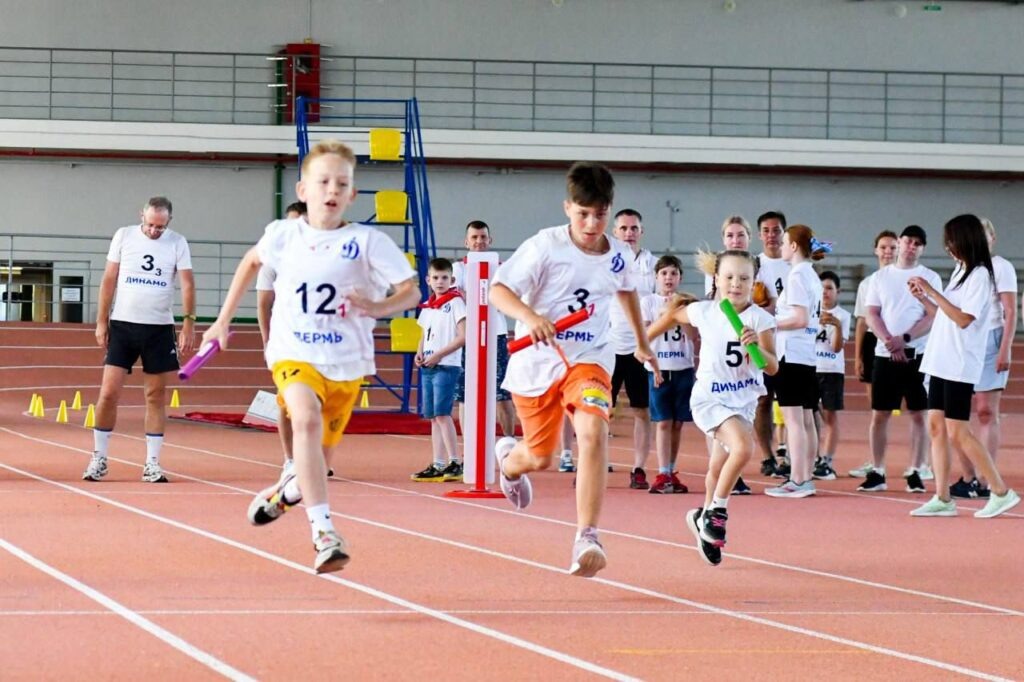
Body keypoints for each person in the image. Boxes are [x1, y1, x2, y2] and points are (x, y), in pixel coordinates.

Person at [203, 140, 419, 573]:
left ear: (353, 194)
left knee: (315, 466)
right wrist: (222, 320)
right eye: (323, 181)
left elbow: (411, 290)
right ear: (303, 189)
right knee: (302, 418)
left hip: (346, 364)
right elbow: (249, 263)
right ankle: (324, 532)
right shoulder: (284, 235)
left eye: (342, 183)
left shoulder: (368, 242)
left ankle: (288, 495)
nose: (331, 190)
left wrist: (377, 308)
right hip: (294, 352)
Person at [489, 161, 657, 578]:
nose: (591, 222)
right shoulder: (545, 247)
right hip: (537, 362)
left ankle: (587, 535)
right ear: (568, 208)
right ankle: (510, 461)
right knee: (541, 457)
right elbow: (497, 289)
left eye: (600, 214)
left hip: (589, 361)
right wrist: (531, 316)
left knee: (592, 430)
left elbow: (628, 293)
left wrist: (641, 341)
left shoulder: (618, 255)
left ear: (610, 211)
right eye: (583, 213)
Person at [649, 250, 778, 566]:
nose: (736, 284)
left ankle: (701, 517)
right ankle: (718, 512)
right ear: (717, 280)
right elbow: (671, 316)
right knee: (743, 448)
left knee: (719, 467)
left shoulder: (760, 319)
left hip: (743, 401)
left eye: (744, 278)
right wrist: (643, 343)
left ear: (753, 282)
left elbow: (772, 367)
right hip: (710, 398)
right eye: (730, 277)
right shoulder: (705, 312)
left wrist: (756, 347)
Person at [908, 214, 1020, 518]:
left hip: (959, 362)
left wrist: (933, 293)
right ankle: (942, 497)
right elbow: (947, 315)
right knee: (937, 428)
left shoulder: (982, 275)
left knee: (958, 431)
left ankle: (1000, 491)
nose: (948, 246)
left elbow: (964, 318)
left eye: (951, 240)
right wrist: (926, 299)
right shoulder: (961, 271)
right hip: (941, 358)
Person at [83, 196, 195, 483]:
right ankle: (99, 457)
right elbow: (109, 279)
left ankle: (152, 462)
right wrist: (101, 321)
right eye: (149, 225)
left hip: (158, 328)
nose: (154, 231)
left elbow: (187, 283)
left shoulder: (177, 242)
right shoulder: (124, 236)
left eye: (160, 227)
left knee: (155, 396)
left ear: (169, 221)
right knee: (108, 393)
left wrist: (188, 324)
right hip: (123, 325)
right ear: (141, 216)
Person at [255, 201, 341, 481]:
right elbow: (263, 304)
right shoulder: (272, 262)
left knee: (320, 400)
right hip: (287, 341)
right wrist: (268, 341)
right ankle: (290, 459)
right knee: (287, 401)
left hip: (321, 339)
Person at [861, 225, 940, 494]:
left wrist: (904, 339)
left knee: (919, 414)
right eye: (908, 241)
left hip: (917, 354)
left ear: (922, 248)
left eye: (918, 243)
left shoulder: (929, 278)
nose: (912, 246)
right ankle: (878, 470)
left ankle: (916, 470)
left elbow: (933, 316)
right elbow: (872, 313)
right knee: (880, 413)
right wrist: (888, 340)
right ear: (899, 242)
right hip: (885, 354)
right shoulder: (880, 278)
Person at [949, 218, 1017, 499]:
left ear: (992, 237)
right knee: (956, 413)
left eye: (985, 234)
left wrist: (1005, 348)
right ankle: (968, 476)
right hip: (964, 342)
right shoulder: (962, 267)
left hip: (991, 337)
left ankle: (988, 479)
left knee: (986, 410)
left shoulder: (1000, 267)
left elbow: (1010, 310)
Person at [765, 226, 826, 499]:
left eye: (785, 241)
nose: (780, 245)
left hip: (792, 352)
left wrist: (771, 323)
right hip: (806, 352)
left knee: (794, 419)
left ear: (793, 246)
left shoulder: (797, 275)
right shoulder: (811, 275)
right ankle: (806, 476)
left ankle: (798, 479)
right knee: (805, 417)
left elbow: (800, 318)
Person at [451, 220, 517, 441]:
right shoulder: (458, 268)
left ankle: (509, 441)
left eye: (482, 237)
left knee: (502, 393)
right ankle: (469, 445)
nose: (479, 241)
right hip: (468, 336)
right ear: (466, 242)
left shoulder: (501, 268)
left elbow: (508, 297)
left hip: (496, 335)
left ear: (490, 240)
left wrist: (477, 299)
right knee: (465, 393)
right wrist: (488, 300)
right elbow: (455, 295)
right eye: (474, 237)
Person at [607, 209, 657, 490]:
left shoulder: (652, 264)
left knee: (641, 411)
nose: (629, 232)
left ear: (641, 231)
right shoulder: (606, 261)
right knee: (601, 410)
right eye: (624, 228)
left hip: (640, 348)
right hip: (609, 348)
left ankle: (638, 467)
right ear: (615, 231)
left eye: (634, 228)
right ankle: (597, 462)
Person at [641, 255, 696, 494]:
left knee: (677, 423)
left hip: (682, 367)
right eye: (664, 273)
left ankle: (672, 469)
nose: (668, 278)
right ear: (656, 277)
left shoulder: (687, 303)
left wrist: (679, 311)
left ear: (680, 278)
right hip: (659, 368)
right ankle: (662, 471)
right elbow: (645, 336)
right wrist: (666, 315)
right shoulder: (649, 302)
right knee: (663, 422)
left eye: (673, 274)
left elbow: (692, 336)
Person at [849, 230, 900, 478]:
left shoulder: (907, 279)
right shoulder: (867, 283)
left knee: (918, 411)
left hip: (903, 341)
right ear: (876, 250)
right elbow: (861, 322)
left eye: (892, 247)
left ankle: (921, 463)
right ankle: (876, 460)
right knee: (877, 409)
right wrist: (858, 356)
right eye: (883, 247)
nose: (888, 252)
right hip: (873, 342)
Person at [411, 257, 466, 482]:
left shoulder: (455, 303)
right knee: (434, 416)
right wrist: (420, 351)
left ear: (452, 279)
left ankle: (455, 461)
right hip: (429, 364)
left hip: (446, 364)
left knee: (443, 414)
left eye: (444, 278)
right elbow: (425, 333)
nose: (440, 282)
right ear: (428, 280)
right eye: (436, 278)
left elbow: (463, 336)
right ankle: (438, 462)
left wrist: (438, 354)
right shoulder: (429, 306)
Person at [751, 211, 791, 479]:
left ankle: (790, 454)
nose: (771, 235)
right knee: (763, 402)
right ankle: (767, 456)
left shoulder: (794, 265)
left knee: (795, 404)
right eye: (766, 230)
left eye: (776, 230)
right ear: (759, 235)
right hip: (764, 341)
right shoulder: (754, 264)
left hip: (791, 343)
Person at [812, 270, 851, 481]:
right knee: (809, 415)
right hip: (811, 367)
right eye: (822, 288)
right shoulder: (810, 311)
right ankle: (811, 456)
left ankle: (826, 459)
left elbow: (836, 348)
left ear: (838, 291)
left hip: (831, 370)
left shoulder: (843, 316)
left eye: (829, 288)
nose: (825, 292)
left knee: (830, 416)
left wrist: (835, 324)